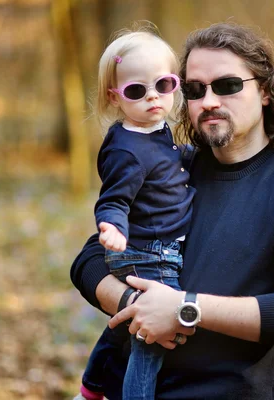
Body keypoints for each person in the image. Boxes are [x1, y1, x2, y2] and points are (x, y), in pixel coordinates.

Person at [71, 22, 274, 400]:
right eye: (195, 89)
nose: (209, 101)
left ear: (265, 90)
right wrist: (135, 305)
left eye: (228, 85)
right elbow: (90, 258)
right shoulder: (176, 168)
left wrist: (185, 309)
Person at [75, 25, 196, 400]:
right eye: (136, 91)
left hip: (150, 249)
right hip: (150, 254)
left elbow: (170, 161)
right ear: (115, 98)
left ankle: (92, 388)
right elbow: (114, 198)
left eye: (164, 85)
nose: (153, 97)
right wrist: (111, 226)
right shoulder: (126, 151)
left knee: (123, 324)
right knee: (152, 340)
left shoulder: (154, 128)